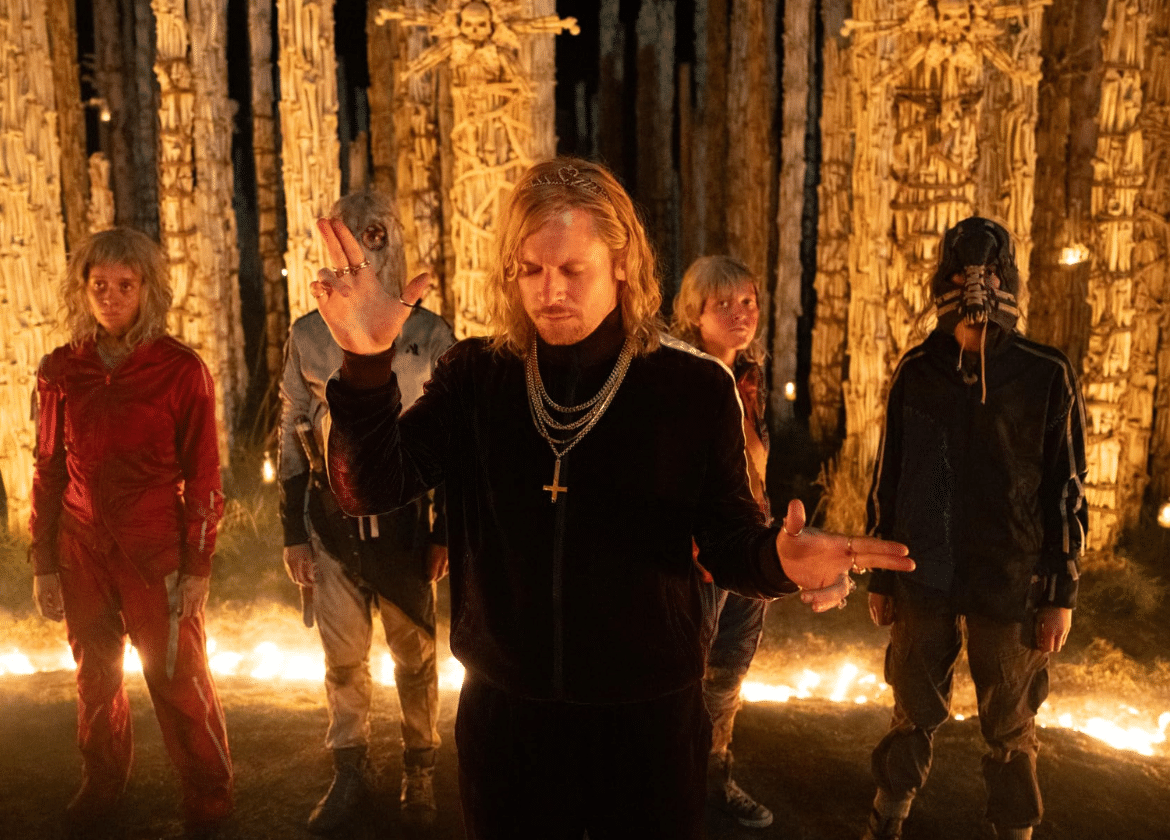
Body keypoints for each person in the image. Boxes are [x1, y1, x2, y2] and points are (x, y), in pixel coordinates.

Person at [311, 156, 914, 839]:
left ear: (622, 263)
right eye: (531, 269)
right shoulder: (477, 378)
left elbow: (726, 540)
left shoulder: (690, 388)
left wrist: (780, 561)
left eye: (574, 270)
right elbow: (368, 489)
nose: (549, 292)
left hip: (647, 725)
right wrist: (363, 365)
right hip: (507, 723)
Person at [860, 217, 1088, 840]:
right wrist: (882, 574)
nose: (978, 295)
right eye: (965, 280)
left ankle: (1013, 829)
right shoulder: (918, 371)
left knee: (1011, 717)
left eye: (989, 279)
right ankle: (889, 816)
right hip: (922, 569)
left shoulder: (1045, 374)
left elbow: (1064, 490)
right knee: (912, 704)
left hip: (1009, 573)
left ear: (1007, 283)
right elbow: (891, 477)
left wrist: (1059, 592)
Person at [30, 228, 233, 840]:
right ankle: (101, 784)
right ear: (82, 289)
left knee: (176, 676)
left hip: (156, 548)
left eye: (125, 285)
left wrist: (198, 566)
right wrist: (43, 562)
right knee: (95, 677)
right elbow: (46, 469)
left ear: (149, 288)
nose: (111, 297)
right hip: (81, 547)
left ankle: (209, 795)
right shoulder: (62, 370)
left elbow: (204, 474)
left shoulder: (180, 370)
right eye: (99, 286)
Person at [278, 188, 455, 833]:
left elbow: (455, 442)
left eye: (376, 235)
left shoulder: (431, 335)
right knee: (343, 657)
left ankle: (420, 769)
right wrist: (293, 530)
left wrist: (445, 533)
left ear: (396, 240)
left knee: (414, 656)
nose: (363, 249)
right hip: (332, 525)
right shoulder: (307, 336)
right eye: (349, 236)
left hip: (406, 528)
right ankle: (350, 768)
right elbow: (293, 431)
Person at [670, 255, 773, 828]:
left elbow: (758, 469)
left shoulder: (751, 380)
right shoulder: (677, 379)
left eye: (748, 303)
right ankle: (668, 791)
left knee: (729, 674)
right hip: (697, 558)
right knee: (683, 674)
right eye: (723, 304)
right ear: (694, 312)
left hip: (748, 553)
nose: (740, 314)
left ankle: (715, 779)